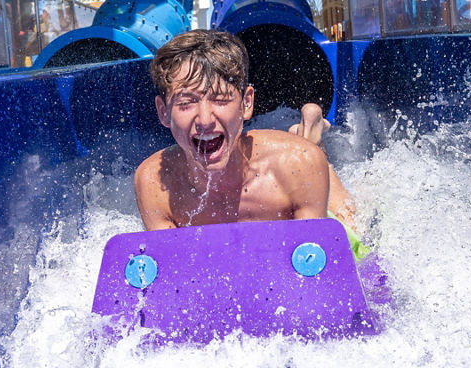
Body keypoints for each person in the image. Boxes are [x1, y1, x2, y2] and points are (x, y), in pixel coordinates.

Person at [134, 30, 358, 231]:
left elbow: (314, 264)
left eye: (220, 100)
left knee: (352, 225)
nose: (204, 120)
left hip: (297, 164)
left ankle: (312, 136)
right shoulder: (154, 183)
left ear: (246, 103)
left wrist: (312, 154)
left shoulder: (298, 164)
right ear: (163, 112)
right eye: (186, 103)